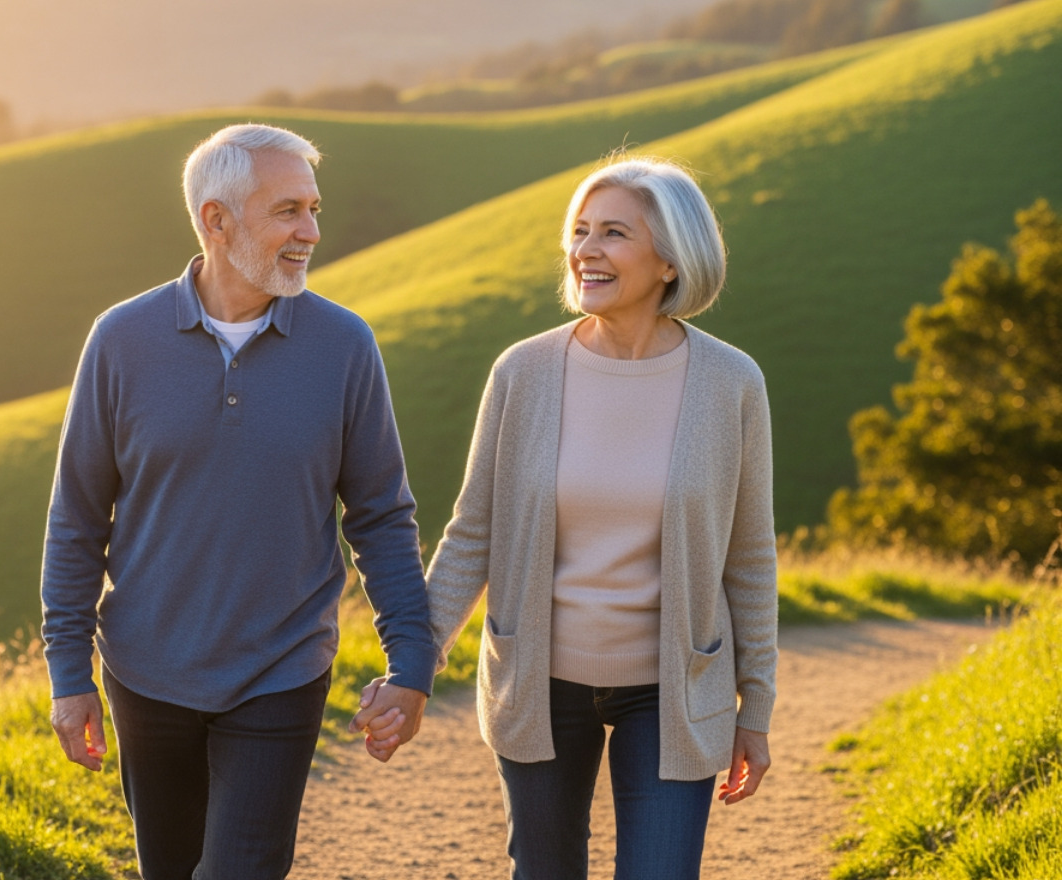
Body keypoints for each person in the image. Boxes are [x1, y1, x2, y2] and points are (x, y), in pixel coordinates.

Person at [41, 123, 435, 880]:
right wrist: (69, 676)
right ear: (216, 221)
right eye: (288, 210)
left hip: (280, 669)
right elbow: (78, 519)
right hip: (146, 673)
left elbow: (381, 516)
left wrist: (411, 661)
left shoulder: (344, 345)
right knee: (171, 868)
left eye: (314, 209)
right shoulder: (122, 341)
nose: (311, 232)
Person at [421, 157, 778, 879]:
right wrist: (414, 657)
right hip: (540, 679)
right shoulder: (522, 372)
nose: (586, 249)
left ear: (671, 261)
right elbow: (473, 531)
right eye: (579, 230)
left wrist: (756, 705)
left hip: (673, 687)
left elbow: (748, 556)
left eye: (613, 233)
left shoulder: (731, 383)